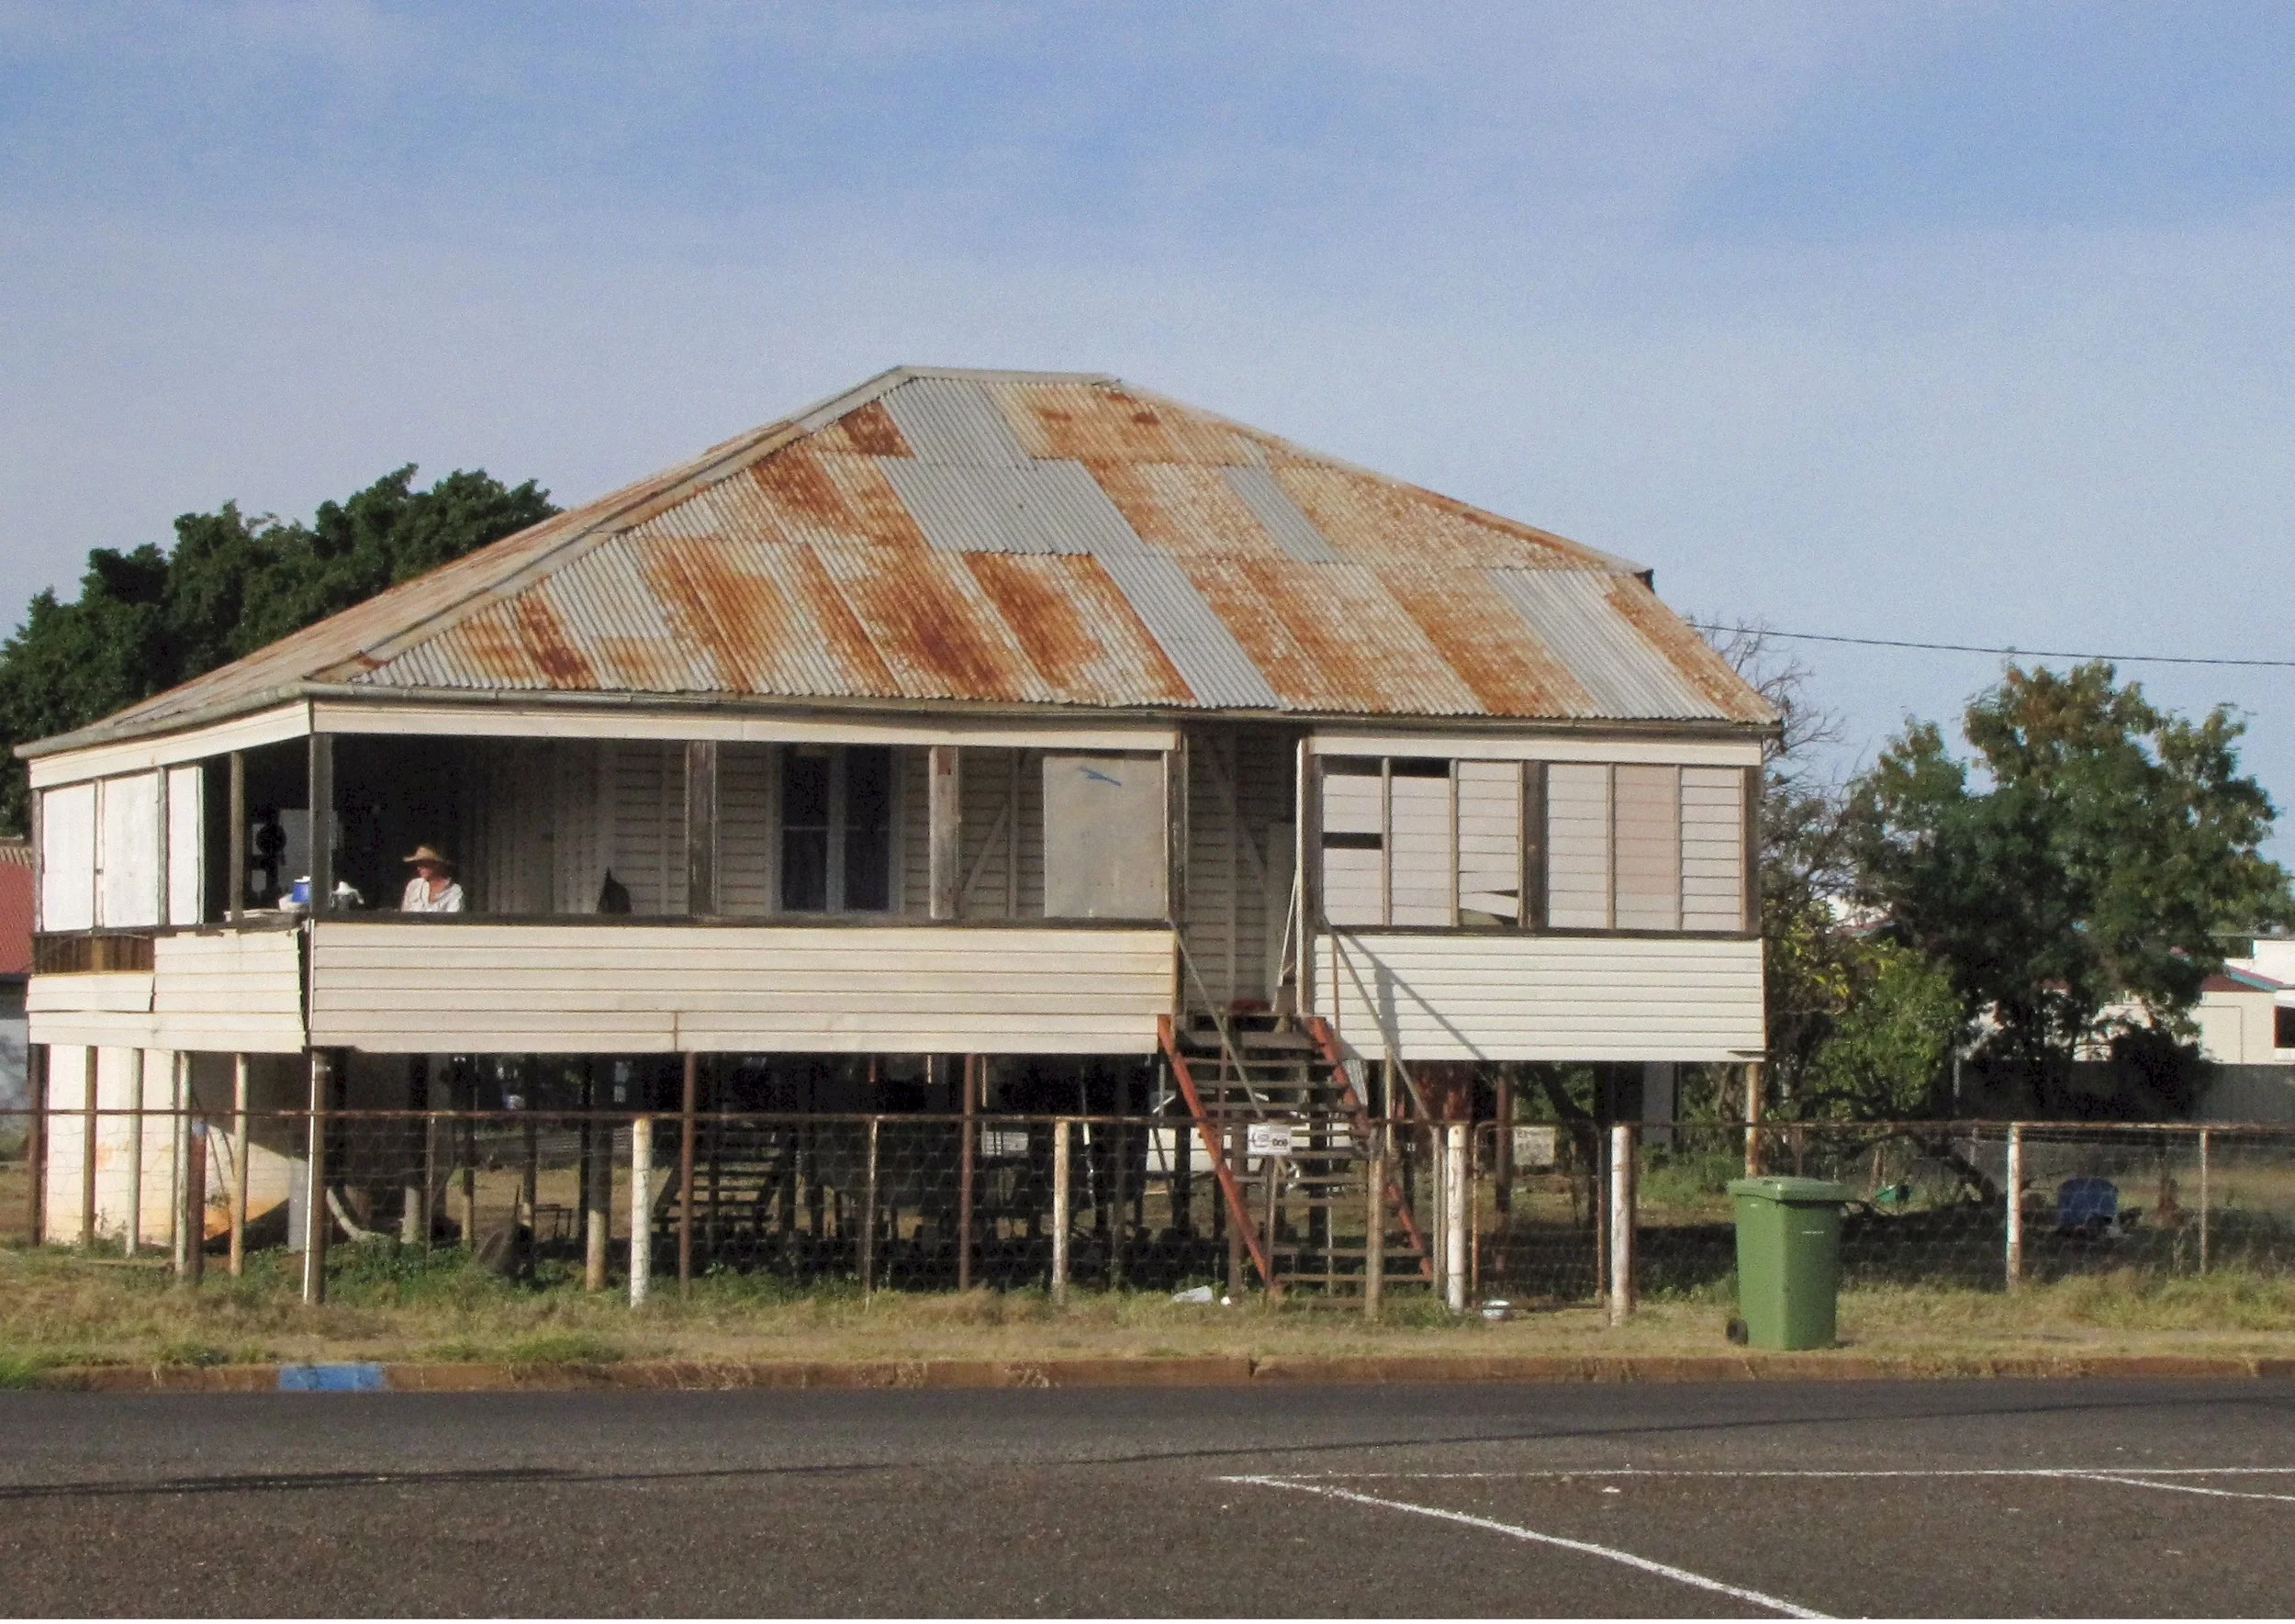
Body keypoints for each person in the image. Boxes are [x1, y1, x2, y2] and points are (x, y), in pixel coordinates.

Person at [400, 846, 465, 913]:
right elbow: (404, 915)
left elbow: (453, 919)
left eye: (424, 863)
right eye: (418, 864)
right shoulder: (414, 885)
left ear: (437, 864)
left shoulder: (454, 891)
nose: (419, 867)